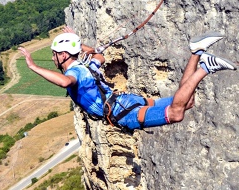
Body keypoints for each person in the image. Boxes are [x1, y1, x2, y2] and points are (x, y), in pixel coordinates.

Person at [19, 30, 237, 131]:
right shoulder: (88, 65)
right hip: (125, 101)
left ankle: (205, 68)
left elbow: (66, 82)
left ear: (64, 55)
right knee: (186, 102)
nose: (52, 58)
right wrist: (80, 43)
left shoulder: (76, 73)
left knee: (176, 112)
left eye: (55, 54)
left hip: (123, 113)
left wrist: (33, 66)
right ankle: (197, 53)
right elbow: (99, 55)